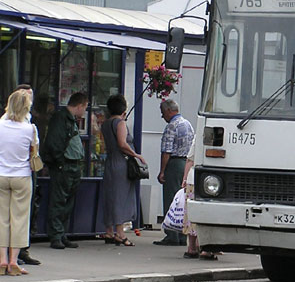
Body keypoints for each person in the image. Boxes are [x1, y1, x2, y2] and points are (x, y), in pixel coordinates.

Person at [41, 92, 88, 250]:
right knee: (59, 201)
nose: (84, 111)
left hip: (72, 165)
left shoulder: (70, 119)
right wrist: (60, 163)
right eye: (85, 107)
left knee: (67, 202)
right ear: (80, 105)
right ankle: (56, 235)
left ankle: (62, 234)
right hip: (64, 165)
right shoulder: (61, 118)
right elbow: (54, 142)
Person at [99, 94, 145, 246]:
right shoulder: (120, 123)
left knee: (110, 196)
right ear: (123, 108)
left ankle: (109, 230)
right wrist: (136, 155)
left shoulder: (105, 124)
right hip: (121, 163)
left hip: (110, 161)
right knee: (120, 196)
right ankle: (120, 233)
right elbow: (123, 144)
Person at [0, 89, 36, 274]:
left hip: (1, 175)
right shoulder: (30, 129)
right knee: (19, 219)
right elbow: (34, 153)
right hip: (21, 176)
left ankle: (2, 260)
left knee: (1, 219)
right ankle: (14, 261)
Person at [154, 99, 193, 246]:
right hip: (185, 164)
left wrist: (162, 171)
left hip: (174, 164)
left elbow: (166, 151)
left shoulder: (171, 126)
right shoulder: (187, 124)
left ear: (169, 111)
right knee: (182, 200)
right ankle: (183, 235)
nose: (162, 116)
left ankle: (171, 235)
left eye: (163, 113)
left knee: (171, 199)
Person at [15, 84, 40, 267]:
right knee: (14, 216)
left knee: (25, 213)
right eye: (26, 96)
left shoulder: (30, 120)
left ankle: (22, 250)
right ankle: (13, 254)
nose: (30, 100)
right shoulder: (20, 123)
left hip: (25, 170)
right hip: (17, 173)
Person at [181, 135, 218, 260]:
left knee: (191, 214)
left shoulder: (198, 135)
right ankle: (206, 249)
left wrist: (185, 179)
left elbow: (190, 160)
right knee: (209, 214)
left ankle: (191, 248)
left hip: (194, 178)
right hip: (215, 181)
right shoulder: (222, 133)